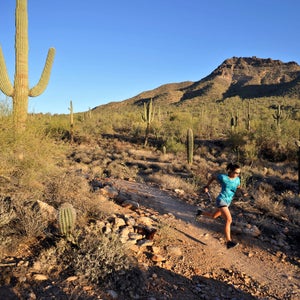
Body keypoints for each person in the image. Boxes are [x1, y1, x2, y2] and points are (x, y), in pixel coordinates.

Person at [196, 163, 248, 249]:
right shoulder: (223, 177)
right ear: (230, 171)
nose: (237, 174)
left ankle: (200, 212)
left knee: (214, 216)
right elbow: (213, 176)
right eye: (236, 172)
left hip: (228, 202)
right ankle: (229, 242)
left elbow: (238, 186)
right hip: (221, 200)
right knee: (229, 220)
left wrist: (242, 191)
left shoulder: (237, 179)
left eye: (239, 173)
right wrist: (207, 186)